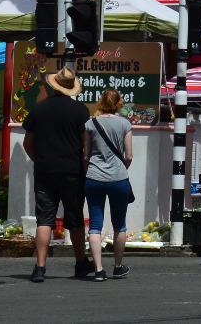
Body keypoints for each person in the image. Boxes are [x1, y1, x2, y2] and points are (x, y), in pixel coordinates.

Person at [22, 67, 92, 283]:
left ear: (53, 86)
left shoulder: (39, 108)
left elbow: (27, 143)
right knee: (75, 218)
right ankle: (81, 263)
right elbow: (86, 146)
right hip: (72, 171)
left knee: (44, 219)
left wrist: (40, 160)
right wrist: (84, 167)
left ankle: (40, 267)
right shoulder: (80, 111)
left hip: (45, 171)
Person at [82, 88, 134, 281]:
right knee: (119, 224)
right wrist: (120, 170)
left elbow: (86, 154)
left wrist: (88, 172)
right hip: (118, 179)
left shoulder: (91, 123)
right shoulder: (125, 124)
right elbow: (129, 156)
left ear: (101, 102)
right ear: (118, 103)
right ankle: (118, 267)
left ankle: (98, 269)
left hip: (94, 177)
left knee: (95, 224)